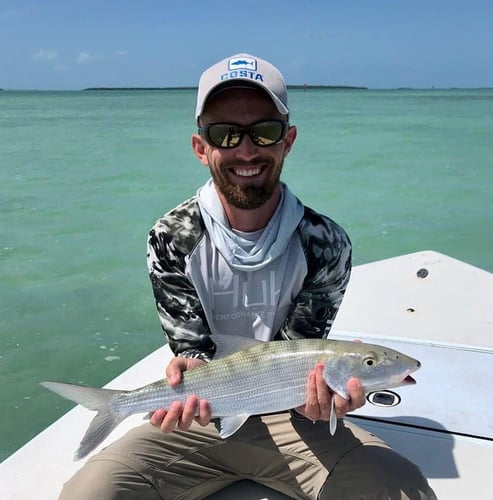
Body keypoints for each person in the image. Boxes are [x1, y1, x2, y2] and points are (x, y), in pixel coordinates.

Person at [60, 53, 436, 499]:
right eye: (225, 133)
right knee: (92, 493)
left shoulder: (326, 243)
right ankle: (119, 408)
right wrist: (189, 372)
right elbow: (195, 353)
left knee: (398, 490)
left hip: (293, 416)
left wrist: (326, 398)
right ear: (202, 148)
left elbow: (297, 352)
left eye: (264, 131)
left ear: (288, 140)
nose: (246, 149)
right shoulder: (171, 237)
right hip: (198, 420)